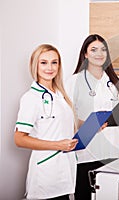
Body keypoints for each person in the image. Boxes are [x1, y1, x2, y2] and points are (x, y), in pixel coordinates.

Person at [65, 34, 119, 200]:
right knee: (85, 195)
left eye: (103, 50)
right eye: (93, 50)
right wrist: (89, 124)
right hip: (85, 150)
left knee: (107, 195)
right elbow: (66, 115)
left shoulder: (116, 82)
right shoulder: (74, 81)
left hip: (111, 150)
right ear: (85, 54)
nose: (99, 54)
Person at [14, 44, 78, 200]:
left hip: (65, 171)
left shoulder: (60, 95)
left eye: (54, 62)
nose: (50, 67)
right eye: (44, 62)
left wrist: (95, 125)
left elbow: (65, 124)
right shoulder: (31, 98)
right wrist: (58, 145)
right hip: (46, 175)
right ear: (35, 65)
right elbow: (19, 139)